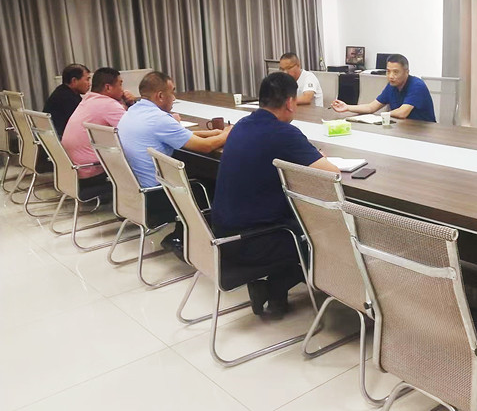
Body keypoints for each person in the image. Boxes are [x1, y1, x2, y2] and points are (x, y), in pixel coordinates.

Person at [212, 72, 339, 317]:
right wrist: (314, 156)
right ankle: (276, 287)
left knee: (294, 218)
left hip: (222, 234)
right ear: (290, 102)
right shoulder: (284, 133)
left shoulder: (241, 125)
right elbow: (332, 174)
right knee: (323, 231)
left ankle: (275, 293)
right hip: (255, 242)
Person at [118, 71, 231, 254]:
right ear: (160, 96)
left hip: (133, 192)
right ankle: (184, 238)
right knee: (213, 181)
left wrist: (213, 133)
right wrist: (227, 134)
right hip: (156, 196)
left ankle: (186, 234)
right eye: (172, 92)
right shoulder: (159, 119)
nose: (175, 97)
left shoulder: (133, 112)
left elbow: (177, 135)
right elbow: (205, 147)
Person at [61, 67, 136, 184]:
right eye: (120, 84)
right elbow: (136, 130)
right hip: (93, 172)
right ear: (108, 87)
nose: (122, 89)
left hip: (73, 171)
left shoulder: (88, 100)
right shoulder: (108, 104)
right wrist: (132, 103)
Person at [331, 53, 436, 122]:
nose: (391, 76)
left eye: (396, 72)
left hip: (423, 132)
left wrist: (381, 115)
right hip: (402, 129)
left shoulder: (417, 85)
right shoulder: (391, 86)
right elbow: (371, 107)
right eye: (388, 71)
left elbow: (402, 113)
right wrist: (347, 107)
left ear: (406, 72)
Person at [44, 63, 91, 137]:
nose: (89, 84)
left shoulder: (63, 91)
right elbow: (83, 124)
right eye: (87, 79)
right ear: (74, 81)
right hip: (62, 138)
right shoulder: (67, 98)